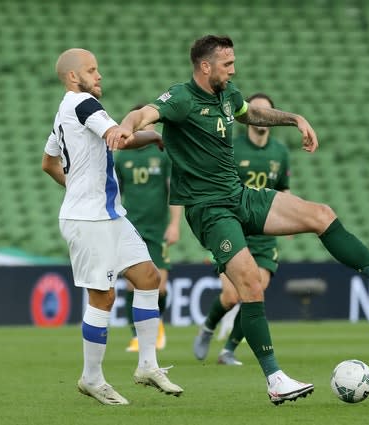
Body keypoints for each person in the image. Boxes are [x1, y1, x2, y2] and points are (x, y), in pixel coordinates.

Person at [106, 35, 369, 405]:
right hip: (209, 210)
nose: (233, 70)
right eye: (226, 64)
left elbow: (253, 113)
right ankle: (275, 378)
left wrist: (295, 119)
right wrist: (125, 126)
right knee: (249, 282)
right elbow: (144, 114)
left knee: (321, 215)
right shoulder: (182, 98)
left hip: (238, 196)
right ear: (205, 66)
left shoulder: (228, 96)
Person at [41, 48, 183, 406]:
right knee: (103, 296)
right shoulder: (84, 103)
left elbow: (48, 162)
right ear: (75, 77)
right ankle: (91, 378)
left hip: (108, 215)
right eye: (92, 69)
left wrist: (76, 189)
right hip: (89, 220)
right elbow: (120, 138)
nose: (99, 75)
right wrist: (154, 135)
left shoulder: (64, 110)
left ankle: (148, 365)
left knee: (149, 278)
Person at [193, 93, 291, 366]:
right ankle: (209, 326)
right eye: (258, 110)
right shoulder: (232, 148)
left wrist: (289, 216)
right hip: (234, 229)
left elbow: (283, 188)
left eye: (268, 111)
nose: (263, 116)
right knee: (232, 295)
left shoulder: (280, 152)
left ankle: (228, 350)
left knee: (255, 292)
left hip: (265, 233)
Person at [114, 105, 183, 353]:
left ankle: (157, 325)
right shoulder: (124, 157)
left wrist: (174, 224)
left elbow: (173, 191)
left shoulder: (163, 155)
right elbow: (117, 194)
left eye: (152, 124)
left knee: (160, 286)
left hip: (157, 228)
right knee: (132, 285)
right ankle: (136, 335)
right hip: (131, 227)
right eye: (145, 123)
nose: (150, 127)